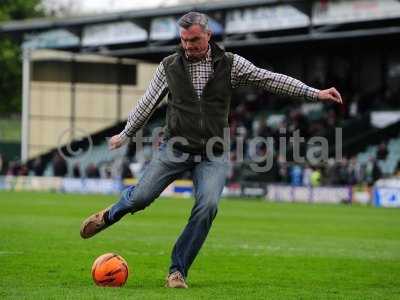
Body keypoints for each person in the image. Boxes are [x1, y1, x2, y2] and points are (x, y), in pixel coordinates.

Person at [80, 12, 343, 288]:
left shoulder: (230, 64)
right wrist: (126, 134)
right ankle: (109, 215)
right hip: (176, 147)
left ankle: (177, 271)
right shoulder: (168, 65)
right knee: (140, 198)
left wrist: (314, 93)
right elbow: (147, 103)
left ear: (208, 36)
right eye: (184, 40)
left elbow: (269, 79)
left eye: (194, 39)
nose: (189, 45)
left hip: (213, 151)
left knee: (208, 207)